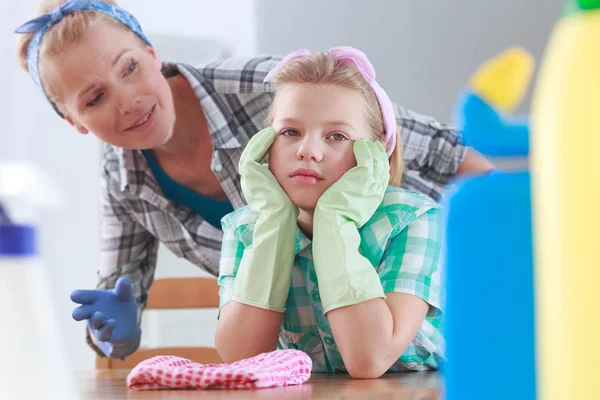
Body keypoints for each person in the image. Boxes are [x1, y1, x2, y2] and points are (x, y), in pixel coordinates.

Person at [14, 0, 493, 360]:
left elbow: (440, 149)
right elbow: (125, 303)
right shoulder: (128, 186)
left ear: (152, 53)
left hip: (430, 311)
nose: (128, 100)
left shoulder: (271, 86)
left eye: (130, 68)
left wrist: (517, 244)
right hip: (314, 359)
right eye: (95, 98)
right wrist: (112, 332)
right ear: (74, 121)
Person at [216, 47, 444, 379]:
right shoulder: (244, 228)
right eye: (290, 132)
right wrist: (275, 225)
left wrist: (334, 221)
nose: (307, 150)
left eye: (336, 136)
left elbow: (370, 359)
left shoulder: (413, 219)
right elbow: (242, 358)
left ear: (374, 155)